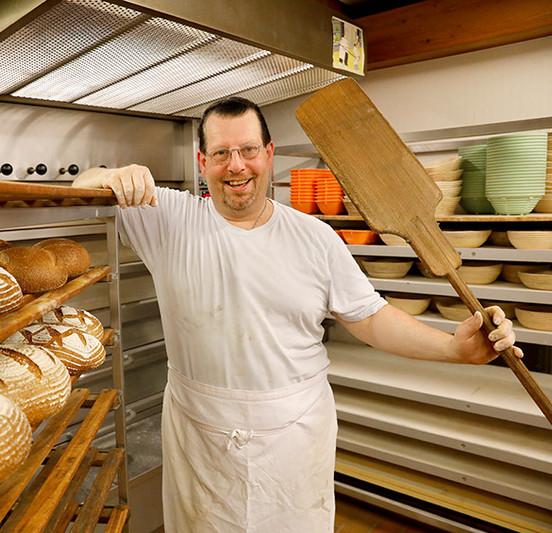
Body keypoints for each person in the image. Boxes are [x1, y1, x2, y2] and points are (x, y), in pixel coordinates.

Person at [72, 97, 520, 532]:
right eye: (222, 153)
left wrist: (452, 348)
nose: (237, 165)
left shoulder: (315, 237)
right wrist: (113, 174)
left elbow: (370, 318)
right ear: (201, 161)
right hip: (199, 436)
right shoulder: (167, 218)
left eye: (248, 150)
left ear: (268, 154)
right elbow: (79, 188)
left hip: (293, 438)